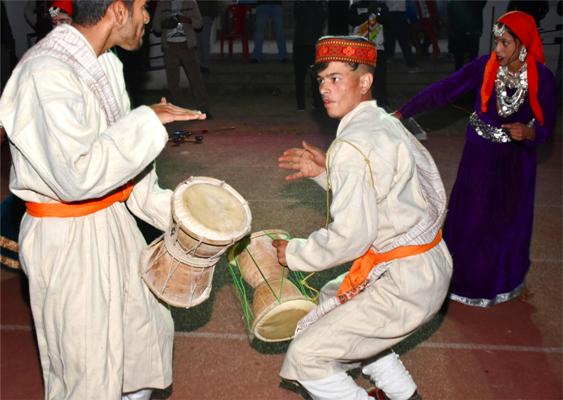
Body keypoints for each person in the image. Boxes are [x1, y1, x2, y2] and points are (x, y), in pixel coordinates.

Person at [0, 1, 206, 399]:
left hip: (115, 227)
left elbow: (128, 174)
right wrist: (146, 121)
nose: (148, 18)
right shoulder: (45, 72)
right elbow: (77, 176)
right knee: (88, 375)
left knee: (139, 351)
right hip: (66, 242)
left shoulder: (106, 62)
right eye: (144, 7)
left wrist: (187, 221)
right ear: (118, 10)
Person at [272, 35, 452, 400]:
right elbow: (383, 190)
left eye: (336, 78)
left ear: (365, 81)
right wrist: (328, 172)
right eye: (321, 79)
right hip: (427, 264)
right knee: (334, 297)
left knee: (307, 356)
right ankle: (404, 394)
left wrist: (292, 253)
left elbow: (351, 237)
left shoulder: (351, 145)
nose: (325, 88)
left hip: (404, 282)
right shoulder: (385, 122)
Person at [395, 11, 557, 307]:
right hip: (479, 158)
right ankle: (457, 281)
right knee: (471, 218)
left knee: (507, 223)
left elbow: (546, 129)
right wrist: (405, 111)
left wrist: (529, 133)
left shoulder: (543, 79)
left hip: (516, 164)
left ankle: (502, 282)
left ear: (523, 45)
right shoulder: (485, 67)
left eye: (506, 43)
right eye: (497, 42)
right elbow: (445, 89)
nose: (498, 49)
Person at [153, 0, 211, 115]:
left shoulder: (190, 2)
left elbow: (199, 23)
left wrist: (186, 20)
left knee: (196, 79)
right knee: (173, 81)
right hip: (169, 46)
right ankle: (176, 110)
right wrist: (164, 24)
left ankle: (203, 108)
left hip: (187, 45)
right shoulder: (163, 3)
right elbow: (156, 27)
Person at [349, 0, 389, 107]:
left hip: (377, 48)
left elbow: (387, 21)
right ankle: (358, 102)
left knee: (379, 77)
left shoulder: (381, 6)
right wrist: (368, 14)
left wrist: (375, 13)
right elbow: (353, 21)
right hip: (359, 48)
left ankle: (381, 102)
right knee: (359, 77)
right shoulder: (356, 6)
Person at [292, 0, 325, 111]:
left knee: (302, 77)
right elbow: (321, 22)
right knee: (312, 77)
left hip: (304, 43)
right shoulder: (316, 4)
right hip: (309, 43)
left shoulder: (301, 4)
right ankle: (315, 103)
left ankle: (303, 104)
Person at [446, 0, 487, 71]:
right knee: (464, 59)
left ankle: (465, 77)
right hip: (466, 31)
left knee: (463, 59)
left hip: (466, 30)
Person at [383, 0, 421, 73]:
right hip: (399, 15)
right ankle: (412, 65)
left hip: (389, 14)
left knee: (390, 40)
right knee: (403, 41)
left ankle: (387, 62)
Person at [196, 0, 219, 74]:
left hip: (204, 16)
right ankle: (200, 64)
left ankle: (204, 65)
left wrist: (211, 17)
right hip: (195, 17)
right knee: (198, 42)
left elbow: (214, 4)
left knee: (204, 42)